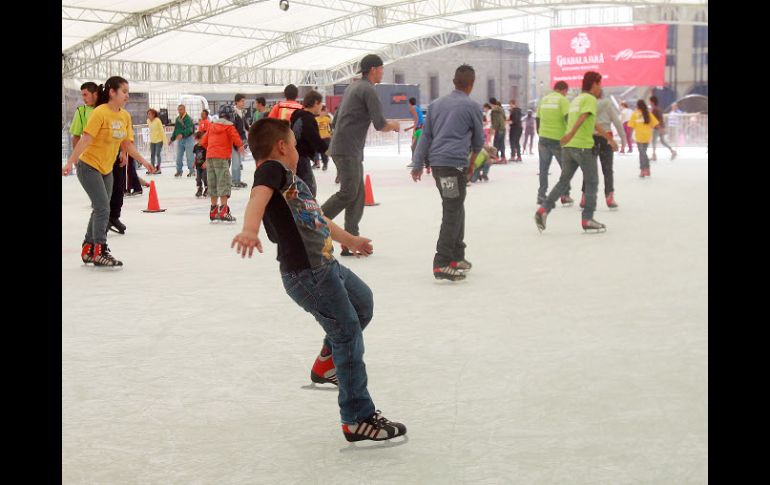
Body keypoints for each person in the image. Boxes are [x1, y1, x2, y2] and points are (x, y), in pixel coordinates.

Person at [232, 117, 407, 442]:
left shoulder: (292, 183)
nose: (298, 152)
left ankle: (328, 363)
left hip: (324, 265)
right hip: (308, 274)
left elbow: (319, 219)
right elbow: (257, 195)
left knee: (362, 304)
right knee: (347, 331)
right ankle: (357, 418)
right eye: (295, 146)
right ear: (283, 147)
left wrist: (349, 241)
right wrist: (249, 229)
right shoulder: (272, 171)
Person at [62, 76, 155, 266]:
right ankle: (100, 250)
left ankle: (88, 249)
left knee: (100, 208)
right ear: (112, 92)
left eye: (128, 92)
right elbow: (85, 140)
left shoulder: (124, 116)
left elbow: (127, 144)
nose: (127, 96)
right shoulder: (100, 113)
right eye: (124, 92)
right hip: (88, 166)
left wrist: (144, 162)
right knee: (103, 208)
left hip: (106, 168)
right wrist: (70, 162)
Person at [321, 54, 400, 256]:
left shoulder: (353, 87)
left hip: (346, 147)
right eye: (381, 68)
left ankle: (350, 240)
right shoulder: (368, 90)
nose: (383, 71)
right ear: (373, 69)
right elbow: (380, 124)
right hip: (348, 149)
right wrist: (395, 125)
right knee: (349, 192)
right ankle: (314, 223)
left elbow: (336, 118)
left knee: (357, 194)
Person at [411, 64, 484, 281]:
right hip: (454, 166)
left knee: (456, 207)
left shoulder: (435, 105)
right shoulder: (472, 106)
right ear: (471, 84)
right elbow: (479, 142)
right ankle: (442, 262)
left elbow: (425, 137)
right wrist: (472, 164)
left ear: (454, 82)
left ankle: (457, 257)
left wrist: (417, 164)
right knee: (452, 211)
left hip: (438, 165)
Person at [534, 71, 618, 233]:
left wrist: (609, 139)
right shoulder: (590, 99)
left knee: (563, 181)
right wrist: (571, 133)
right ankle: (587, 218)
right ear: (594, 84)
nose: (601, 87)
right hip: (582, 147)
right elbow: (583, 117)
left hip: (569, 148)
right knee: (592, 182)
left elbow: (592, 122)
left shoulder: (576, 99)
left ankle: (543, 210)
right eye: (600, 84)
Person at [579, 89, 627, 209]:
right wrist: (623, 139)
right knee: (607, 170)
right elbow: (617, 122)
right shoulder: (607, 105)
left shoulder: (587, 105)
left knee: (589, 169)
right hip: (606, 138)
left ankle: (585, 197)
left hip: (591, 139)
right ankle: (609, 197)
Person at [200, 112, 244, 222]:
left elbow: (203, 142)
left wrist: (211, 150)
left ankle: (213, 211)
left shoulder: (212, 126)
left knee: (213, 183)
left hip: (210, 157)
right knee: (223, 182)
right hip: (221, 157)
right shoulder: (229, 126)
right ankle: (224, 211)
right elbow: (236, 139)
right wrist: (240, 146)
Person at [535, 81, 573, 206]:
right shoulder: (562, 100)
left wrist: (540, 133)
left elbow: (538, 118)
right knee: (565, 169)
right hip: (558, 139)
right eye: (566, 92)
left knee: (543, 169)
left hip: (543, 138)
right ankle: (565, 195)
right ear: (563, 90)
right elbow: (568, 119)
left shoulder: (544, 100)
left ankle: (541, 195)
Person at [290, 90, 328, 197]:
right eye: (321, 104)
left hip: (293, 156)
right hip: (300, 157)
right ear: (316, 103)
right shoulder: (307, 118)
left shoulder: (297, 115)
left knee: (300, 187)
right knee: (309, 189)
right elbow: (314, 138)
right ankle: (306, 211)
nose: (321, 107)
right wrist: (327, 150)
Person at [69, 82, 99, 174]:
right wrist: (76, 158)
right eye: (82, 95)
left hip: (109, 158)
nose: (83, 98)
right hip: (90, 159)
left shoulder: (107, 108)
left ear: (95, 94)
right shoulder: (81, 111)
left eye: (85, 95)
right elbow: (76, 136)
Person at [628, 99, 659, 178]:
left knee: (642, 153)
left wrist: (629, 135)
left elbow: (631, 126)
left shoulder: (635, 114)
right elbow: (655, 123)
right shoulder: (648, 113)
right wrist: (660, 129)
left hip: (639, 137)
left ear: (637, 106)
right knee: (643, 153)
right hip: (647, 136)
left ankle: (643, 170)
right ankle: (647, 169)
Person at [230, 94, 250, 189]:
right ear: (236, 102)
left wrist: (251, 129)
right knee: (235, 161)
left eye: (244, 101)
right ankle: (234, 181)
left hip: (241, 140)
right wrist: (236, 142)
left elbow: (245, 126)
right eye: (242, 101)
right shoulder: (233, 114)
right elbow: (233, 129)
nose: (243, 103)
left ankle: (237, 179)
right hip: (234, 140)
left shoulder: (242, 112)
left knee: (239, 162)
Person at [170, 104, 195, 177]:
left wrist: (182, 134)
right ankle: (179, 171)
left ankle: (192, 171)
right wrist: (172, 139)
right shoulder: (177, 119)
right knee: (178, 156)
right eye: (179, 109)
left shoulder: (188, 119)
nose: (179, 111)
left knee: (190, 156)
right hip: (180, 140)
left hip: (188, 139)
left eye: (181, 109)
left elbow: (190, 129)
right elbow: (176, 130)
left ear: (184, 110)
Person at [649, 95, 677, 161]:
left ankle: (654, 155)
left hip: (657, 127)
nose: (649, 102)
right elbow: (661, 119)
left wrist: (660, 128)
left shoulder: (655, 109)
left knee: (654, 141)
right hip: (659, 127)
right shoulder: (657, 109)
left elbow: (658, 119)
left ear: (652, 102)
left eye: (650, 101)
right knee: (662, 141)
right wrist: (662, 127)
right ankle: (672, 151)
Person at [146, 108, 167, 174]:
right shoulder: (148, 121)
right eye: (148, 114)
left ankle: (158, 168)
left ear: (153, 114)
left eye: (149, 114)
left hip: (159, 140)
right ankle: (152, 168)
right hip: (152, 140)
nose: (148, 115)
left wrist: (165, 141)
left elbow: (161, 130)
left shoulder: (157, 120)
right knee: (152, 154)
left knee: (158, 154)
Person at [315, 105, 333, 171]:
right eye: (322, 111)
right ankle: (321, 163)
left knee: (325, 152)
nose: (323, 113)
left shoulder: (327, 119)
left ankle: (325, 163)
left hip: (326, 137)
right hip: (319, 138)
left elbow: (332, 127)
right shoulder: (316, 119)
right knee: (319, 152)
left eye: (324, 111)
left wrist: (330, 134)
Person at [489, 98, 507, 162]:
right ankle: (503, 157)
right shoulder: (501, 109)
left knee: (496, 144)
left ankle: (496, 157)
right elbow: (505, 118)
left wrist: (493, 129)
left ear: (491, 103)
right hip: (503, 128)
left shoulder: (494, 111)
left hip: (498, 129)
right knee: (502, 143)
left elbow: (495, 121)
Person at [192, 131, 209, 198]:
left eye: (202, 138)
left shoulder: (205, 146)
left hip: (205, 165)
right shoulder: (195, 147)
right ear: (197, 139)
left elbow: (208, 155)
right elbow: (196, 156)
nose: (201, 140)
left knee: (205, 177)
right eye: (200, 139)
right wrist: (194, 162)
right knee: (198, 178)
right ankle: (199, 189)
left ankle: (207, 188)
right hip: (198, 166)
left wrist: (206, 162)